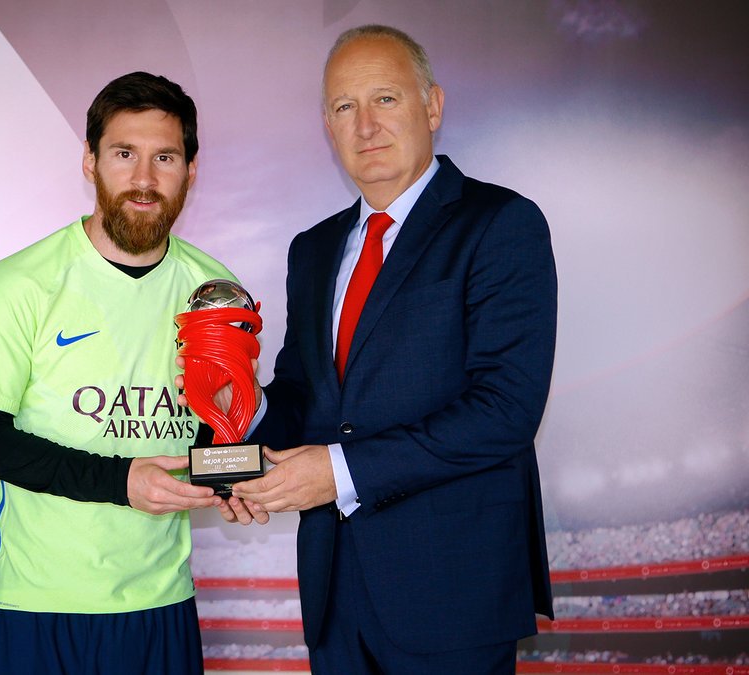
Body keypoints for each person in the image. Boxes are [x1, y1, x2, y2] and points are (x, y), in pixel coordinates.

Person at [231, 25, 558, 673]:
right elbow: (303, 397)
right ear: (328, 125)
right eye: (344, 106)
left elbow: (505, 410)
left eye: (385, 98)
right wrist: (239, 411)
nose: (366, 125)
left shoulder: (501, 223)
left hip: (453, 591)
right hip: (335, 592)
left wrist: (336, 472)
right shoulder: (312, 249)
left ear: (431, 105)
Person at [0, 71, 242, 675]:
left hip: (161, 601)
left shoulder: (215, 293)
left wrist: (234, 477)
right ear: (90, 161)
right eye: (124, 154)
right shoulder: (20, 283)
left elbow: (213, 436)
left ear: (191, 170)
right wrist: (121, 481)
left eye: (165, 157)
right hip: (39, 603)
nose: (144, 178)